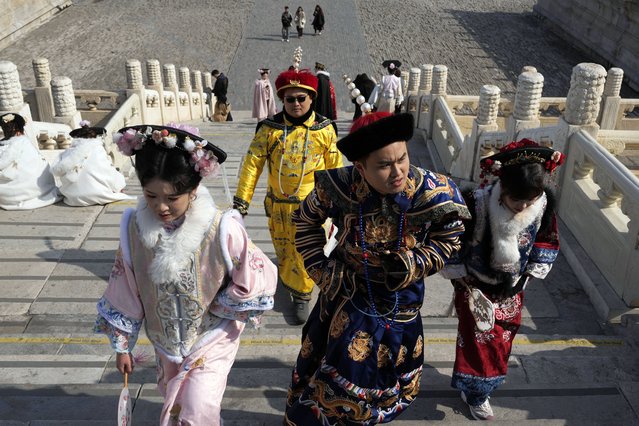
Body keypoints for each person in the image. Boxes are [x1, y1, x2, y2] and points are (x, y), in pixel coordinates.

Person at [284, 112, 471, 424]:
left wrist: (415, 262)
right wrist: (323, 270)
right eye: (384, 165)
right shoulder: (338, 186)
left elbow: (451, 238)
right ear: (360, 167)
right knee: (337, 376)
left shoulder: (432, 191)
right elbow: (304, 221)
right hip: (347, 294)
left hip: (402, 301)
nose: (397, 172)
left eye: (402, 158)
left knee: (386, 381)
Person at [95, 124, 277, 426]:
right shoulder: (133, 228)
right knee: (176, 402)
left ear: (193, 190)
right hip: (165, 339)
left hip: (211, 336)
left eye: (172, 198)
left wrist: (224, 306)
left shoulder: (221, 228)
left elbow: (260, 275)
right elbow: (124, 288)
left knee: (199, 406)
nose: (161, 207)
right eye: (151, 196)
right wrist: (122, 346)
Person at [440, 139, 564, 420]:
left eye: (529, 200)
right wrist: (460, 278)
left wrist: (528, 275)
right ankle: (476, 392)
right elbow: (453, 241)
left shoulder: (542, 205)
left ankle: (485, 384)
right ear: (502, 188)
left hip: (514, 287)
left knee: (504, 337)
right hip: (474, 285)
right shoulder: (478, 203)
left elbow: (546, 240)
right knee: (478, 339)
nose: (522, 206)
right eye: (515, 199)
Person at [233, 68, 342, 325]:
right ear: (282, 99)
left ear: (311, 98)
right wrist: (241, 201)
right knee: (284, 250)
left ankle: (303, 295)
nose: (295, 104)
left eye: (301, 98)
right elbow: (252, 163)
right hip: (278, 205)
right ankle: (288, 281)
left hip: (312, 206)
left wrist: (339, 202)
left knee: (307, 252)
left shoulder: (324, 130)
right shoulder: (269, 130)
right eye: (290, 99)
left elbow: (335, 168)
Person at [51, 120, 134, 206]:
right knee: (113, 176)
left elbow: (58, 171)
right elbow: (108, 171)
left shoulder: (68, 152)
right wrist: (118, 187)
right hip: (97, 194)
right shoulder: (98, 149)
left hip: (74, 198)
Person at [0, 113, 59, 210]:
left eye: (6, 127)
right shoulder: (24, 141)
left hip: (23, 186)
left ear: (14, 128)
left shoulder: (17, 143)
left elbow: (3, 162)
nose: (5, 129)